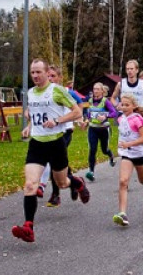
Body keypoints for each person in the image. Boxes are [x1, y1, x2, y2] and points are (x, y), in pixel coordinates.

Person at [12, 59, 89, 243]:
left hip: (56, 143)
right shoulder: (30, 93)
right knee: (30, 184)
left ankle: (77, 183)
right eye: (33, 73)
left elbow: (77, 111)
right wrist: (30, 126)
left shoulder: (57, 91)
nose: (35, 76)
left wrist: (58, 121)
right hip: (37, 144)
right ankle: (28, 227)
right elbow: (35, 112)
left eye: (39, 72)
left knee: (62, 183)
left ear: (47, 73)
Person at [39, 66, 83, 207]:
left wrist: (79, 119)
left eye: (53, 76)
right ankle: (74, 183)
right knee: (58, 163)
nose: (50, 79)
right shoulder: (45, 93)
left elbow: (79, 105)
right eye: (48, 76)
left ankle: (56, 194)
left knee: (54, 162)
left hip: (65, 130)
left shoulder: (65, 91)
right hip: (52, 132)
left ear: (59, 78)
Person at [113, 93, 143, 227]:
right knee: (123, 181)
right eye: (122, 104)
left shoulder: (137, 119)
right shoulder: (121, 119)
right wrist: (123, 146)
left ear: (134, 106)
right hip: (127, 154)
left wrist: (128, 144)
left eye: (127, 105)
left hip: (140, 153)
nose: (124, 107)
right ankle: (122, 213)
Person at [112, 60, 143, 159]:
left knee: (142, 139)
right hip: (125, 116)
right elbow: (112, 98)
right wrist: (117, 105)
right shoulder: (121, 84)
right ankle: (127, 156)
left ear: (137, 70)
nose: (129, 71)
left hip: (139, 115)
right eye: (127, 69)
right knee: (126, 136)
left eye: (131, 69)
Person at [84, 82, 118, 182]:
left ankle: (110, 155)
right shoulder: (89, 100)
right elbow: (87, 112)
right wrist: (86, 120)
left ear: (102, 91)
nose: (95, 91)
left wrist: (105, 116)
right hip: (92, 129)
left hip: (103, 129)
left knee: (104, 150)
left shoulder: (105, 101)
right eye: (94, 89)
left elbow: (114, 113)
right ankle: (91, 172)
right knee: (92, 150)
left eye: (98, 89)